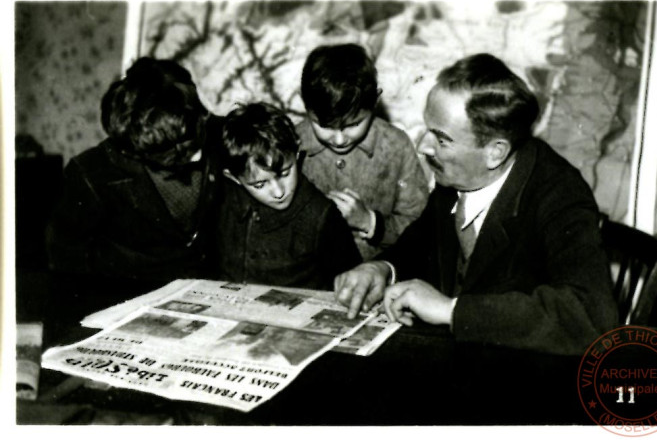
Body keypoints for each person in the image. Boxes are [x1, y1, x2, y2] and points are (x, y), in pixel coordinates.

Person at [334, 53, 617, 355]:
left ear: (495, 152)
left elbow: (591, 315)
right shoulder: (457, 176)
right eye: (428, 130)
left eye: (441, 140)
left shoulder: (559, 193)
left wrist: (452, 311)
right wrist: (382, 269)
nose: (423, 146)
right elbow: (421, 240)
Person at [46, 57, 222, 284]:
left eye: (196, 137)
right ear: (139, 148)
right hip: (124, 291)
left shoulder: (207, 128)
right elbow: (64, 259)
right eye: (179, 153)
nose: (197, 155)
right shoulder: (91, 174)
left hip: (201, 289)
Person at [296, 43, 429, 260]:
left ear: (375, 102)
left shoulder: (396, 145)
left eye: (352, 124)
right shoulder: (292, 143)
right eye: (325, 126)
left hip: (376, 272)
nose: (339, 139)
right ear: (305, 104)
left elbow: (421, 224)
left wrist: (369, 222)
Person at [215, 102, 362, 290]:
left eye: (285, 173)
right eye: (260, 184)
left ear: (297, 153)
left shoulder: (323, 216)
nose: (279, 192)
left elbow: (353, 282)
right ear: (234, 178)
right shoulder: (223, 201)